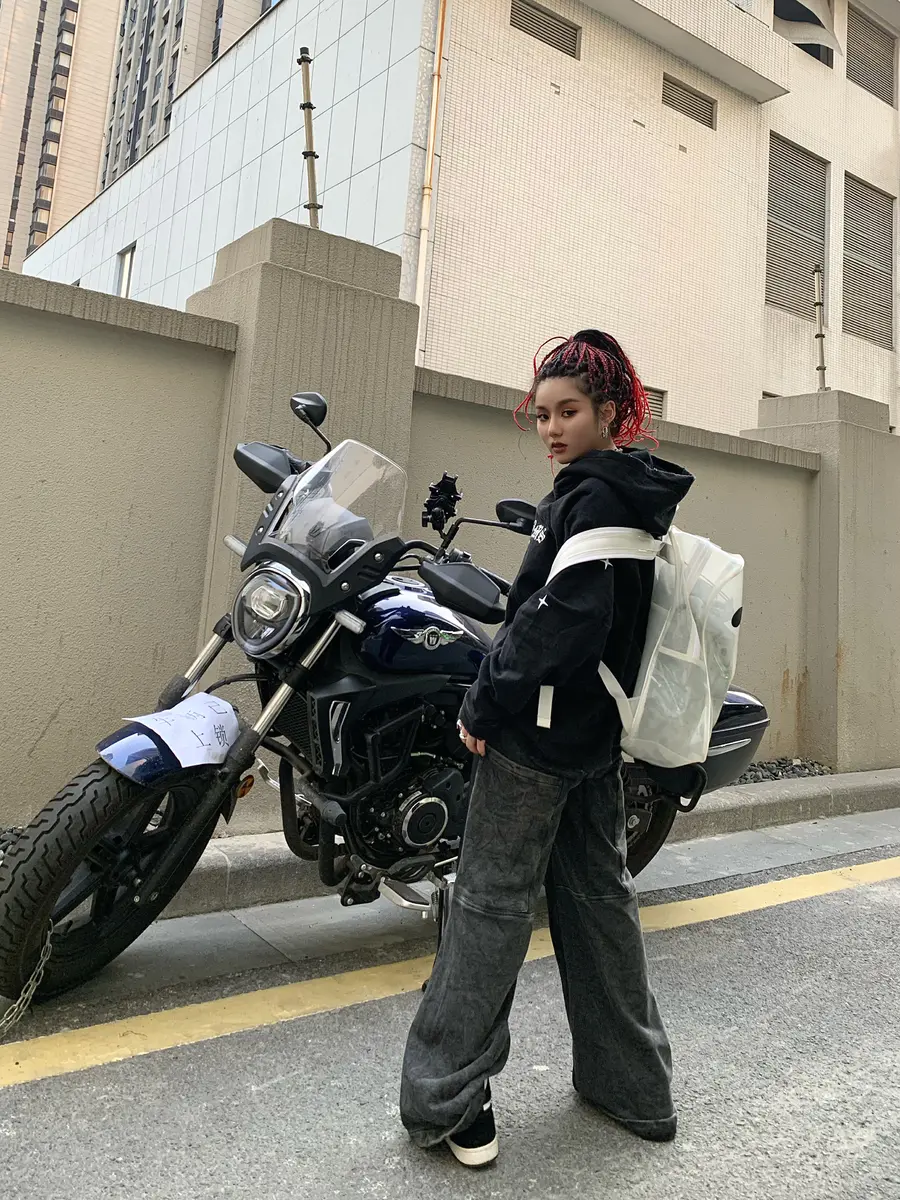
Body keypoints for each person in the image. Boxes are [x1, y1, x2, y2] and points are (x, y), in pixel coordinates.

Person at [399, 330, 695, 1167]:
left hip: (535, 739)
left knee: (488, 909)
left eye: (569, 412)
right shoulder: (632, 492)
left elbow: (561, 621)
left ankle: (448, 1100)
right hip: (592, 741)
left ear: (610, 412)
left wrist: (486, 699)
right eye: (542, 415)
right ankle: (633, 1088)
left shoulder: (589, 498)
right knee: (599, 904)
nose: (553, 429)